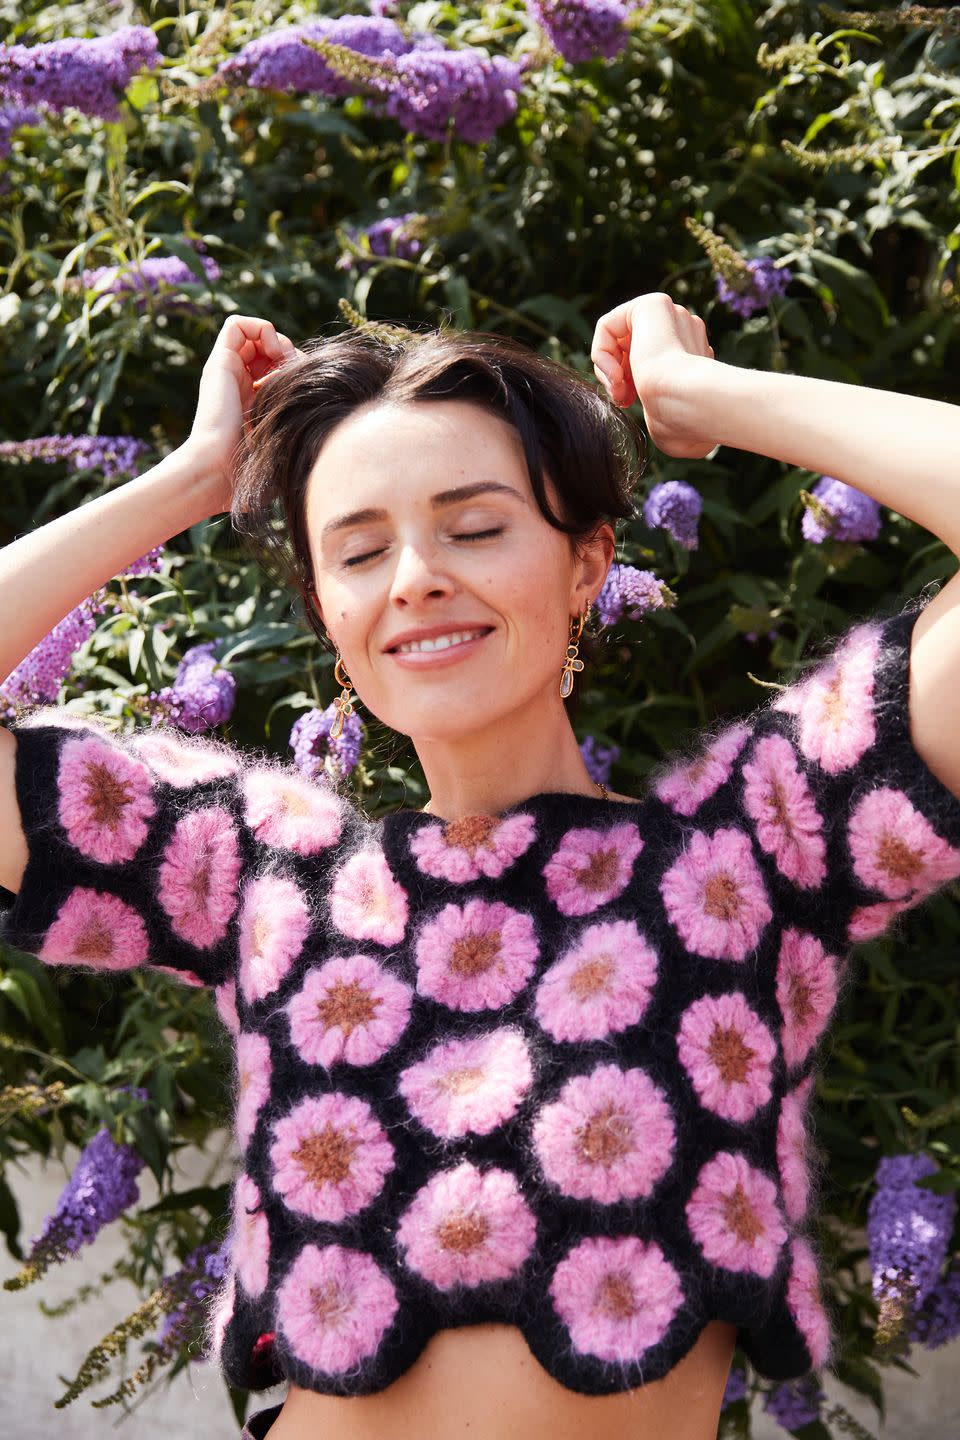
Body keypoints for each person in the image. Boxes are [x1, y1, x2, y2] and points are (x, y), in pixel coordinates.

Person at [1, 292, 960, 1440]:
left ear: (586, 565)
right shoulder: (258, 875)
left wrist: (705, 396)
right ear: (330, 621)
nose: (413, 576)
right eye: (358, 550)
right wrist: (200, 476)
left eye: (476, 525)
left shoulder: (754, 854)